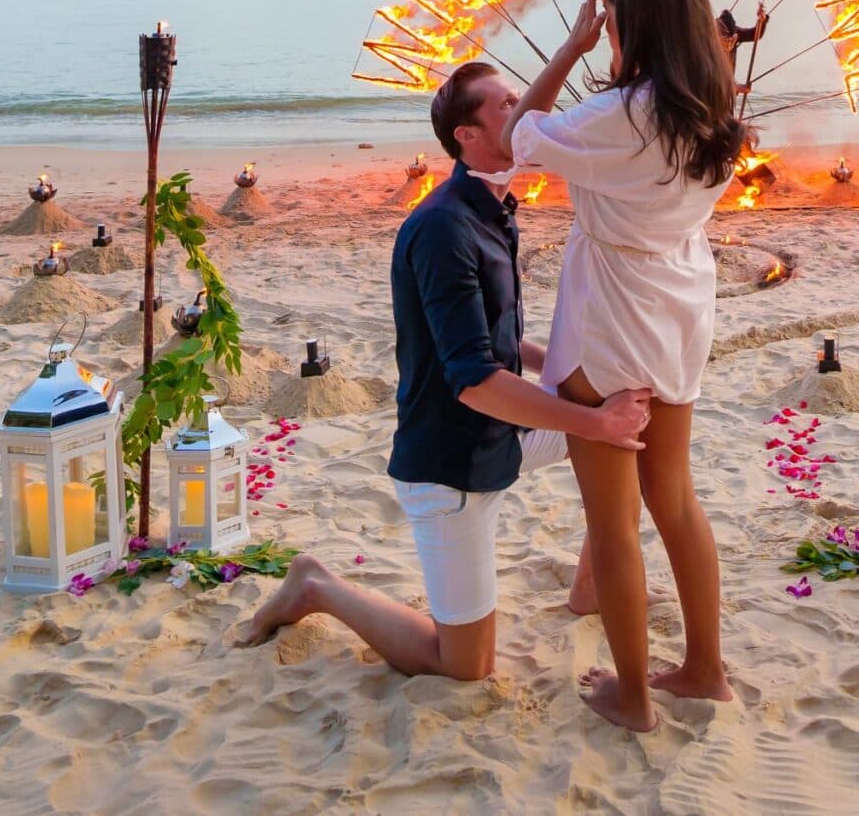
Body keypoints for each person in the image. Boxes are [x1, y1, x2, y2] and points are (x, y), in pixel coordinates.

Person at [239, 62, 651, 680]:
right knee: (465, 667)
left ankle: (592, 589)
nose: (526, 110)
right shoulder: (442, 228)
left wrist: (585, 388)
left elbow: (501, 344)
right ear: (467, 134)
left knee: (630, 433)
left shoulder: (493, 207)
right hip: (450, 468)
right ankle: (316, 587)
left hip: (500, 439)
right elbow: (476, 380)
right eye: (508, 103)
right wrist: (590, 422)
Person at [498, 0, 745, 732]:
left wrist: (571, 44)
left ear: (626, 18)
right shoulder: (715, 116)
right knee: (674, 496)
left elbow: (516, 137)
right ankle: (704, 667)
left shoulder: (618, 118)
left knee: (613, 519)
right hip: (678, 307)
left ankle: (634, 694)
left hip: (611, 315)